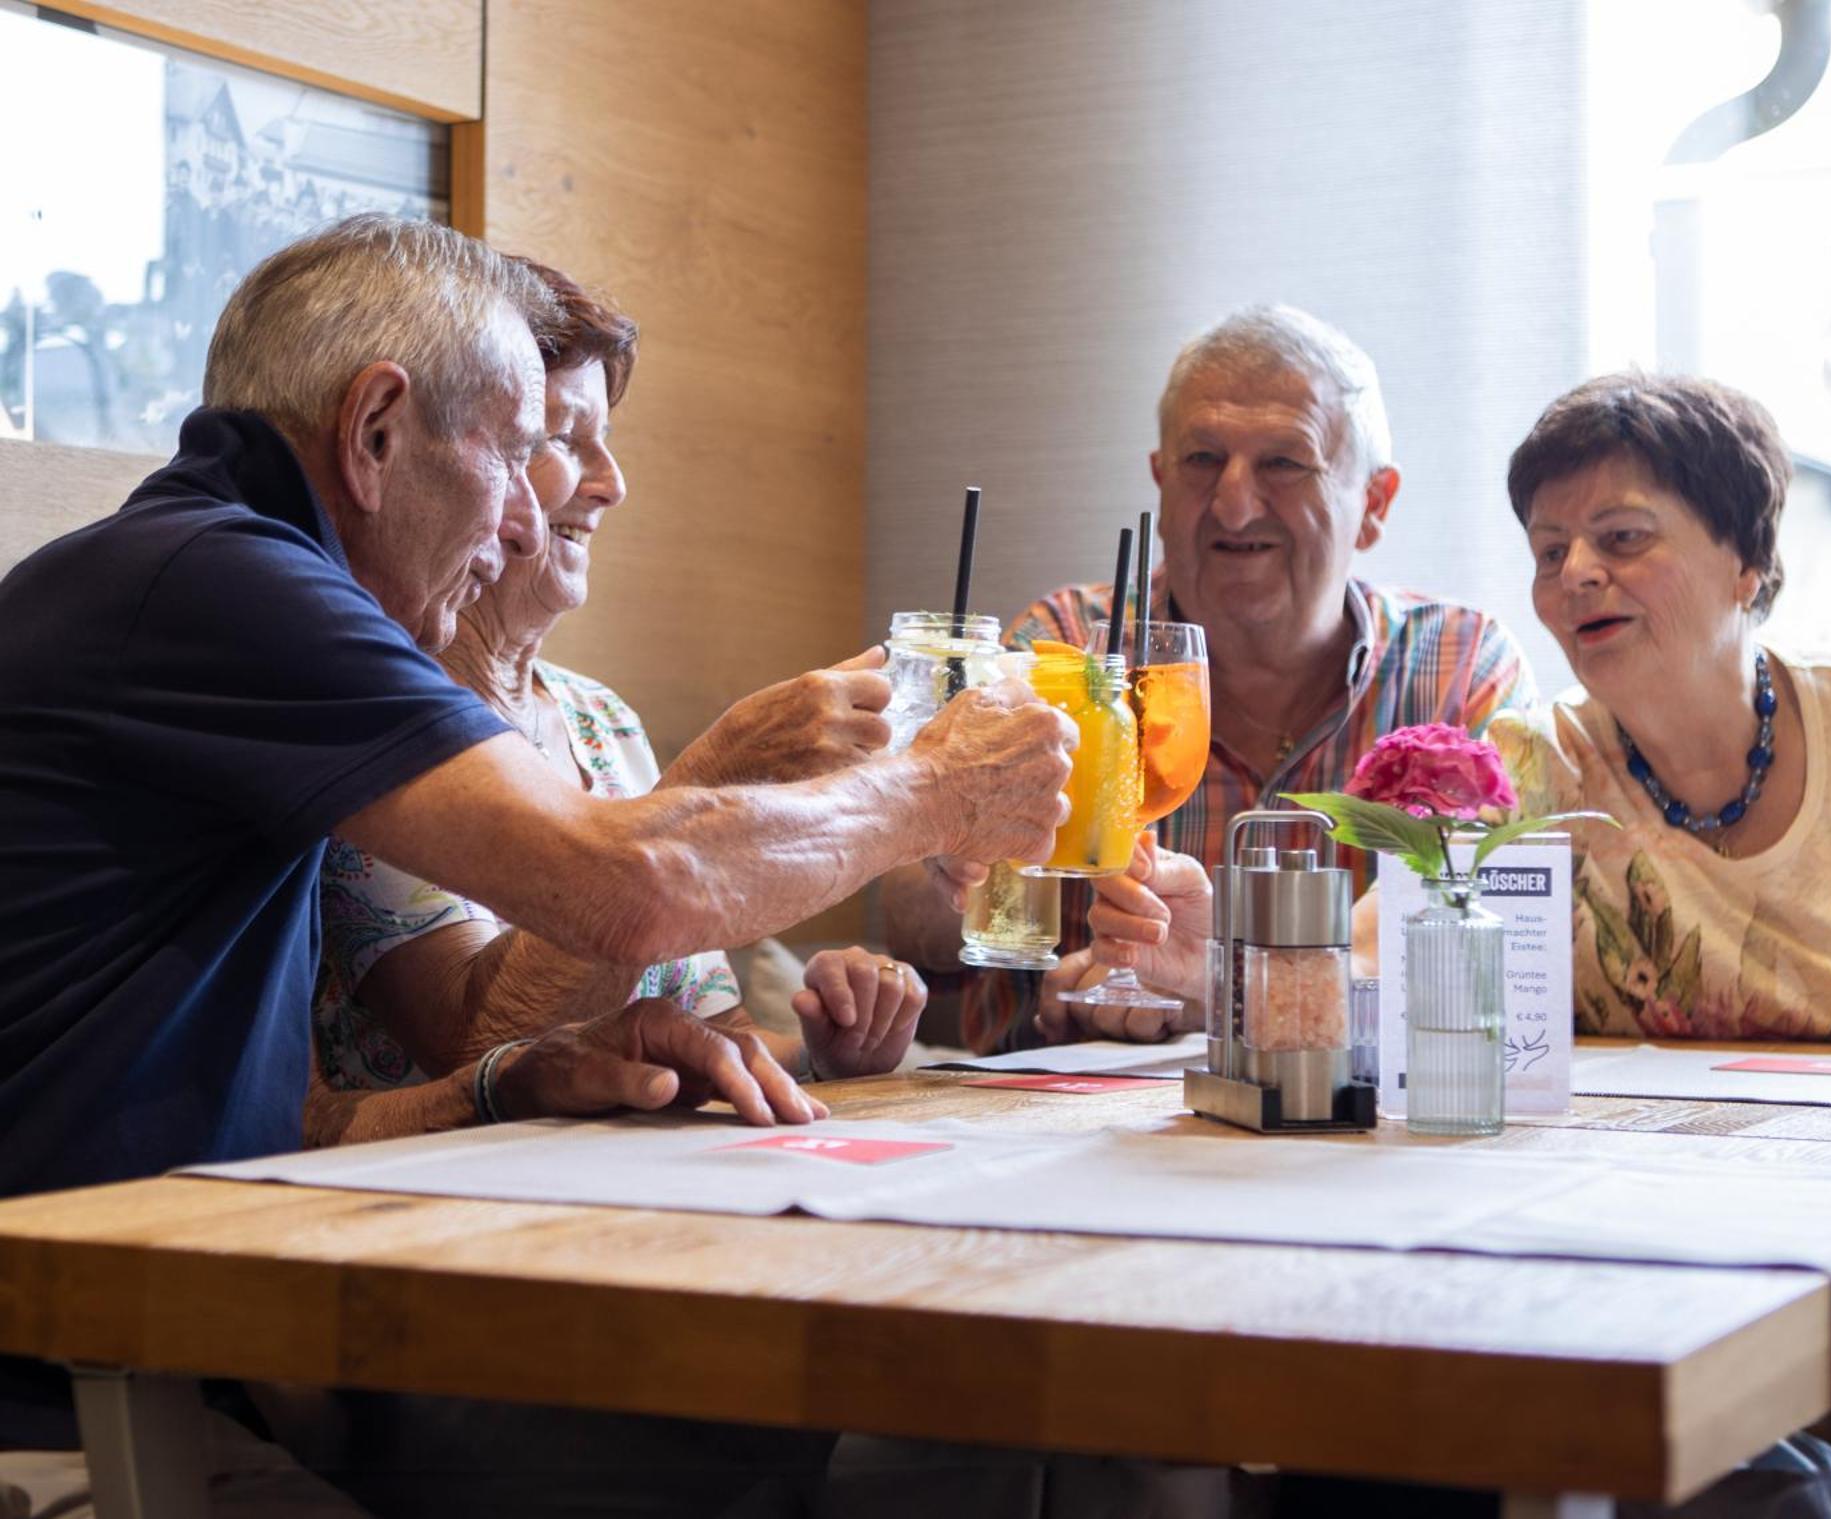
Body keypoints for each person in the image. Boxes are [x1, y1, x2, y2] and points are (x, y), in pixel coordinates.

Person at [0, 214, 1072, 1477]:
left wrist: (513, 1079)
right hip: (68, 1388)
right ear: (375, 431)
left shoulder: (208, 574)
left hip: (154, 1331)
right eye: (517, 453)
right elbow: (632, 886)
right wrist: (934, 791)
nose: (525, 517)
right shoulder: (224, 582)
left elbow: (246, 1105)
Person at [1090, 373, 1831, 1051]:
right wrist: (1217, 970)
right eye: (1550, 548)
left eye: (1623, 538)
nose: (1576, 574)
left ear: (1747, 563)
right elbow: (1378, 968)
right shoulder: (1532, 768)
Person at [310, 260, 927, 1145]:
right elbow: (482, 1051)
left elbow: (713, 1039)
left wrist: (828, 1049)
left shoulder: (599, 719)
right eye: (565, 438)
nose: (612, 482)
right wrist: (722, 774)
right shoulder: (377, 717)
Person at [884, 304, 1536, 1052]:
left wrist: (1223, 985)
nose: (1233, 500)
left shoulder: (1460, 671)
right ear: (1161, 481)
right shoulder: (1064, 651)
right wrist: (961, 874)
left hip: (1352, 1129)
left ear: (1374, 505)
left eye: (1284, 462)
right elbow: (906, 911)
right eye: (1202, 460)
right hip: (1056, 1115)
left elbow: (1495, 943)